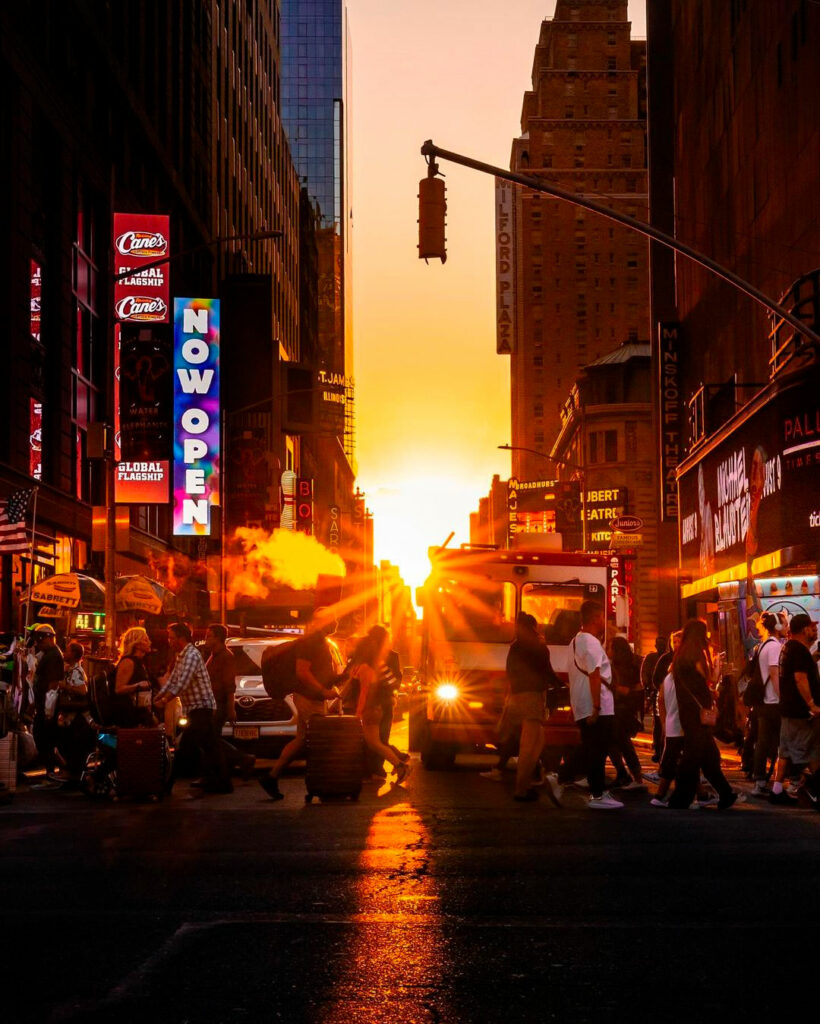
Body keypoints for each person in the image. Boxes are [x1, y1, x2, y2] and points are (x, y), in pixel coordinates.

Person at [258, 609, 344, 801]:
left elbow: (319, 671)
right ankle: (319, 784)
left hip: (312, 698)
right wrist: (322, 691)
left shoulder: (320, 641)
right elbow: (302, 672)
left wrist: (339, 678)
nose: (337, 622)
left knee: (302, 739)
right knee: (318, 740)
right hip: (308, 698)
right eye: (334, 618)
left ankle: (272, 776)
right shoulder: (311, 640)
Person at [667, 619, 740, 810]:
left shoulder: (680, 655)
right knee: (692, 756)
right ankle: (680, 798)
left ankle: (726, 793)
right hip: (699, 714)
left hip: (688, 712)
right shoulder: (695, 654)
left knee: (709, 756)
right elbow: (708, 679)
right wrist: (716, 668)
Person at [155, 622, 231, 795]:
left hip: (201, 707)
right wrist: (158, 696)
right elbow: (173, 679)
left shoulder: (191, 655)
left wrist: (165, 699)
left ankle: (167, 785)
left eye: (171, 638)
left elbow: (183, 682)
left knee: (185, 748)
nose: (169, 641)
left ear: (181, 638)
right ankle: (223, 784)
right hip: (195, 707)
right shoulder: (181, 655)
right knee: (212, 747)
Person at [568, 602, 623, 809]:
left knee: (590, 747)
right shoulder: (590, 642)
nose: (604, 621)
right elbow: (594, 675)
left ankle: (565, 779)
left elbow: (575, 676)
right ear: (594, 618)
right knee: (597, 749)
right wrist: (597, 707)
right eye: (602, 617)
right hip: (597, 704)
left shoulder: (575, 641)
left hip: (584, 703)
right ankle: (598, 794)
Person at [504, 612, 562, 805]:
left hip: (517, 697)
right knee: (529, 746)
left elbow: (509, 671)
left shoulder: (515, 647)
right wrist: (562, 685)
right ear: (534, 627)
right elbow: (548, 672)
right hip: (532, 698)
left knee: (537, 741)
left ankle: (533, 779)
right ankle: (521, 789)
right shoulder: (539, 647)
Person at [768, 614, 820, 808]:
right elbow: (800, 678)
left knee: (786, 751)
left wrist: (813, 658)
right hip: (800, 712)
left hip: (788, 709)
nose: (814, 631)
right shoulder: (799, 650)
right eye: (811, 628)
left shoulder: (788, 647)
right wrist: (811, 703)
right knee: (810, 752)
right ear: (804, 629)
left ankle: (777, 790)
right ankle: (815, 793)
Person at [351, 625, 409, 784]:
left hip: (377, 705)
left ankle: (395, 764)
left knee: (377, 741)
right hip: (381, 704)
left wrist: (358, 711)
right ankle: (386, 766)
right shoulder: (376, 662)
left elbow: (366, 690)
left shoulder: (372, 663)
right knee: (375, 741)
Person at [204, 624, 255, 780]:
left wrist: (231, 708)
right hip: (213, 703)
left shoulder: (226, 656)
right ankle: (222, 769)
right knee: (212, 738)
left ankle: (242, 758)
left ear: (217, 638)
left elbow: (229, 685)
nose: (206, 639)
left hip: (219, 704)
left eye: (209, 636)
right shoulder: (213, 655)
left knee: (210, 738)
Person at [751, 612, 783, 797]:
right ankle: (792, 779)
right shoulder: (775, 647)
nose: (786, 626)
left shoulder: (763, 645)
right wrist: (782, 696)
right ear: (778, 626)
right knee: (784, 742)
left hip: (763, 701)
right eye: (784, 623)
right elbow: (774, 672)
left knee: (762, 742)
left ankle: (760, 780)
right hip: (773, 701)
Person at [608, 636, 645, 790]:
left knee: (621, 743)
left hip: (620, 710)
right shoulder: (632, 664)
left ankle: (634, 777)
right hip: (625, 710)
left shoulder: (618, 667)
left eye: (610, 647)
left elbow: (625, 689)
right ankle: (625, 774)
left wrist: (615, 689)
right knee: (617, 743)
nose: (607, 650)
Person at [30, 623, 65, 785]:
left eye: (40, 639)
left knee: (44, 736)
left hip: (47, 705)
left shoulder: (53, 655)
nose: (38, 643)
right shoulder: (48, 654)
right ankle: (57, 768)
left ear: (50, 638)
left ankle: (53, 770)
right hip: (43, 703)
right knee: (45, 737)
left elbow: (53, 683)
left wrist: (48, 709)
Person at [110, 627, 155, 728]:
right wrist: (138, 685)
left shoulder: (139, 662)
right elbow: (118, 689)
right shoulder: (128, 662)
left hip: (139, 713)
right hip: (128, 715)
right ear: (137, 644)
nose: (150, 642)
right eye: (146, 640)